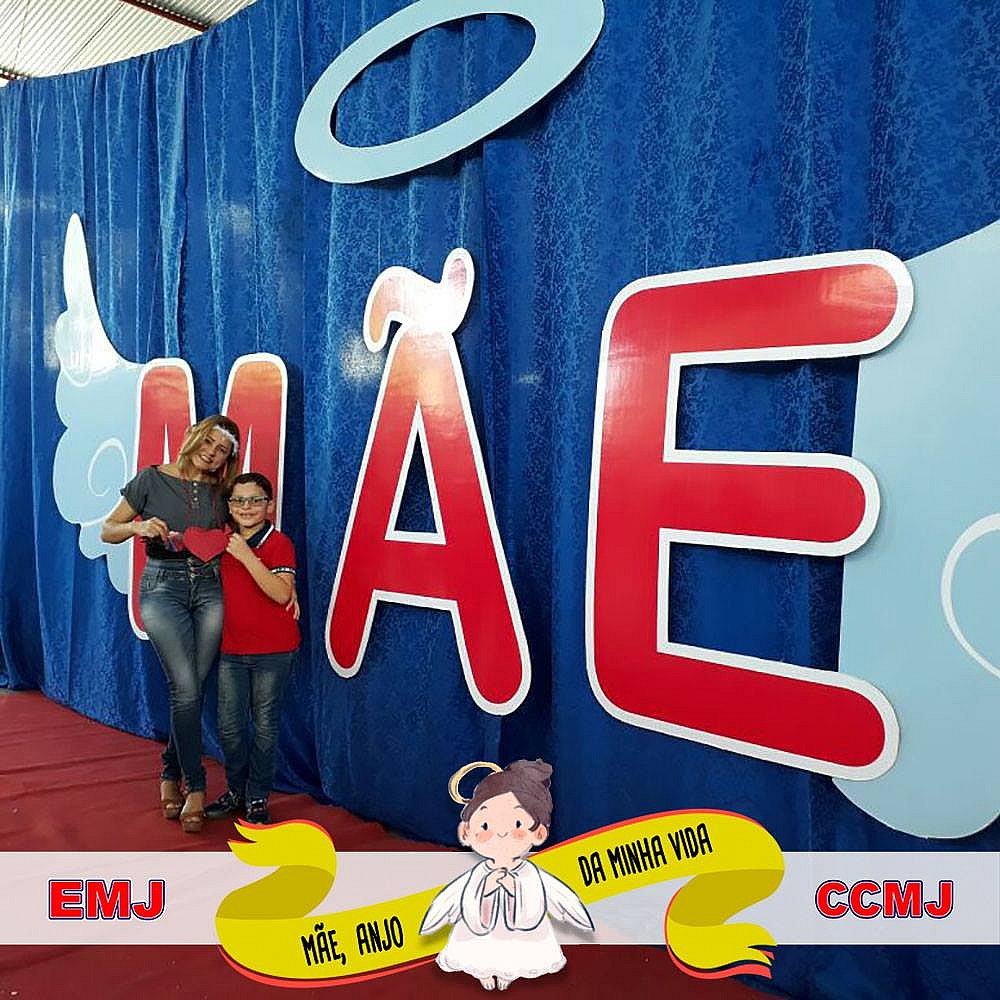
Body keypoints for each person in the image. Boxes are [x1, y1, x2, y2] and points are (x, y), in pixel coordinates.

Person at [101, 415, 241, 833]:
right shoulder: (151, 479)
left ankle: (168, 772)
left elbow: (237, 538)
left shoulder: (221, 493)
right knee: (185, 687)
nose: (212, 453)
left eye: (222, 451)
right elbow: (108, 529)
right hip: (162, 588)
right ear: (194, 436)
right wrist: (138, 526)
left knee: (193, 688)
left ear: (226, 461)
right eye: (209, 442)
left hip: (210, 589)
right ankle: (195, 786)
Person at [419, 759, 593, 991]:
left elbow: (556, 896)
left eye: (517, 823)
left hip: (522, 934)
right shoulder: (478, 874)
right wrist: (485, 889)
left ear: (539, 833)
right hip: (479, 932)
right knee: (478, 949)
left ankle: (508, 972)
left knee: (516, 952)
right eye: (485, 826)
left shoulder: (530, 873)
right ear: (467, 831)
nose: (501, 833)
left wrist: (515, 888)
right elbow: (452, 898)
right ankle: (483, 971)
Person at [204, 472, 299, 826]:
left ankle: (257, 797)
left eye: (255, 500)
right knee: (229, 727)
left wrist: (247, 556)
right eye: (238, 501)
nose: (246, 507)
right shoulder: (223, 542)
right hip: (232, 649)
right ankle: (236, 791)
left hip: (273, 650)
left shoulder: (279, 543)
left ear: (269, 505)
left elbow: (281, 593)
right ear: (229, 506)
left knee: (264, 726)